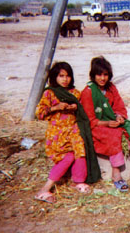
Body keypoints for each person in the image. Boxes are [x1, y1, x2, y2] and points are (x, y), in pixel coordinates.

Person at [81, 56, 130, 192]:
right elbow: (89, 119)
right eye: (99, 74)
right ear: (93, 75)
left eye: (106, 74)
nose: (102, 78)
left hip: (112, 121)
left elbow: (119, 106)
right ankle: (116, 172)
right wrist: (106, 123)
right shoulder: (88, 92)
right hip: (98, 125)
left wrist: (120, 117)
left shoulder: (111, 88)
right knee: (113, 136)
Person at [35, 62, 100, 203]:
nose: (65, 79)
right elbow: (39, 113)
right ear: (54, 77)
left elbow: (84, 110)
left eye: (68, 76)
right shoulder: (50, 93)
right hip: (57, 134)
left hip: (74, 131)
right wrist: (56, 107)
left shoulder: (75, 93)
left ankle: (78, 181)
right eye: (61, 76)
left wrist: (76, 106)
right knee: (67, 157)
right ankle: (44, 189)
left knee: (80, 152)